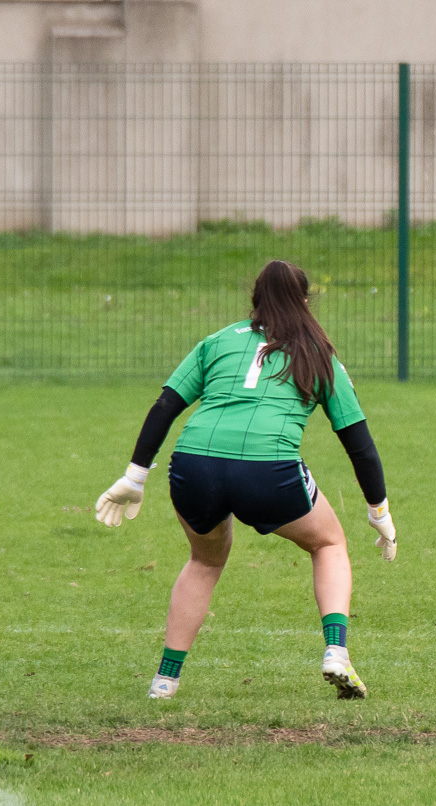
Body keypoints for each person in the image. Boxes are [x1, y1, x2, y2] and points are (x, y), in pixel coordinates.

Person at [94, 260, 397, 700]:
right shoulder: (318, 353)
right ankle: (336, 652)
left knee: (204, 561)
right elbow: (359, 444)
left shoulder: (217, 341)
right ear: (305, 301)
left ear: (254, 299)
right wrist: (378, 511)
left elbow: (165, 406)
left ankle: (165, 681)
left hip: (194, 463)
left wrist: (135, 476)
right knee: (328, 542)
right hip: (266, 469)